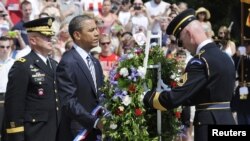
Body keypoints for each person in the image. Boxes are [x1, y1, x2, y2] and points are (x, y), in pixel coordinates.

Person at [143, 9, 236, 141]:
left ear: (189, 34)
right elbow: (199, 94)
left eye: (180, 41)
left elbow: (173, 99)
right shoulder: (225, 56)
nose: (183, 47)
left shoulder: (200, 61)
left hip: (209, 123)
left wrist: (146, 96)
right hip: (228, 121)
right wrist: (171, 89)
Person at [2, 17, 60, 141]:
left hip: (55, 131)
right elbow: (14, 106)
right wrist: (16, 136)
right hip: (34, 133)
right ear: (33, 40)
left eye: (51, 36)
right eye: (46, 36)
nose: (50, 39)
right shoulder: (23, 65)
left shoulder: (54, 65)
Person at [56, 14, 104, 141]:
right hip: (78, 132)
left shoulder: (95, 61)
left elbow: (100, 96)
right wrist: (94, 121)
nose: (97, 33)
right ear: (77, 35)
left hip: (96, 132)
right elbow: (68, 102)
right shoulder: (68, 62)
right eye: (91, 30)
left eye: (96, 29)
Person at [231, 41, 250, 125]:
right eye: (245, 45)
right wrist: (236, 55)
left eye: (247, 45)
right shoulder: (241, 58)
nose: (246, 47)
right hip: (243, 88)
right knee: (242, 113)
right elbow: (231, 64)